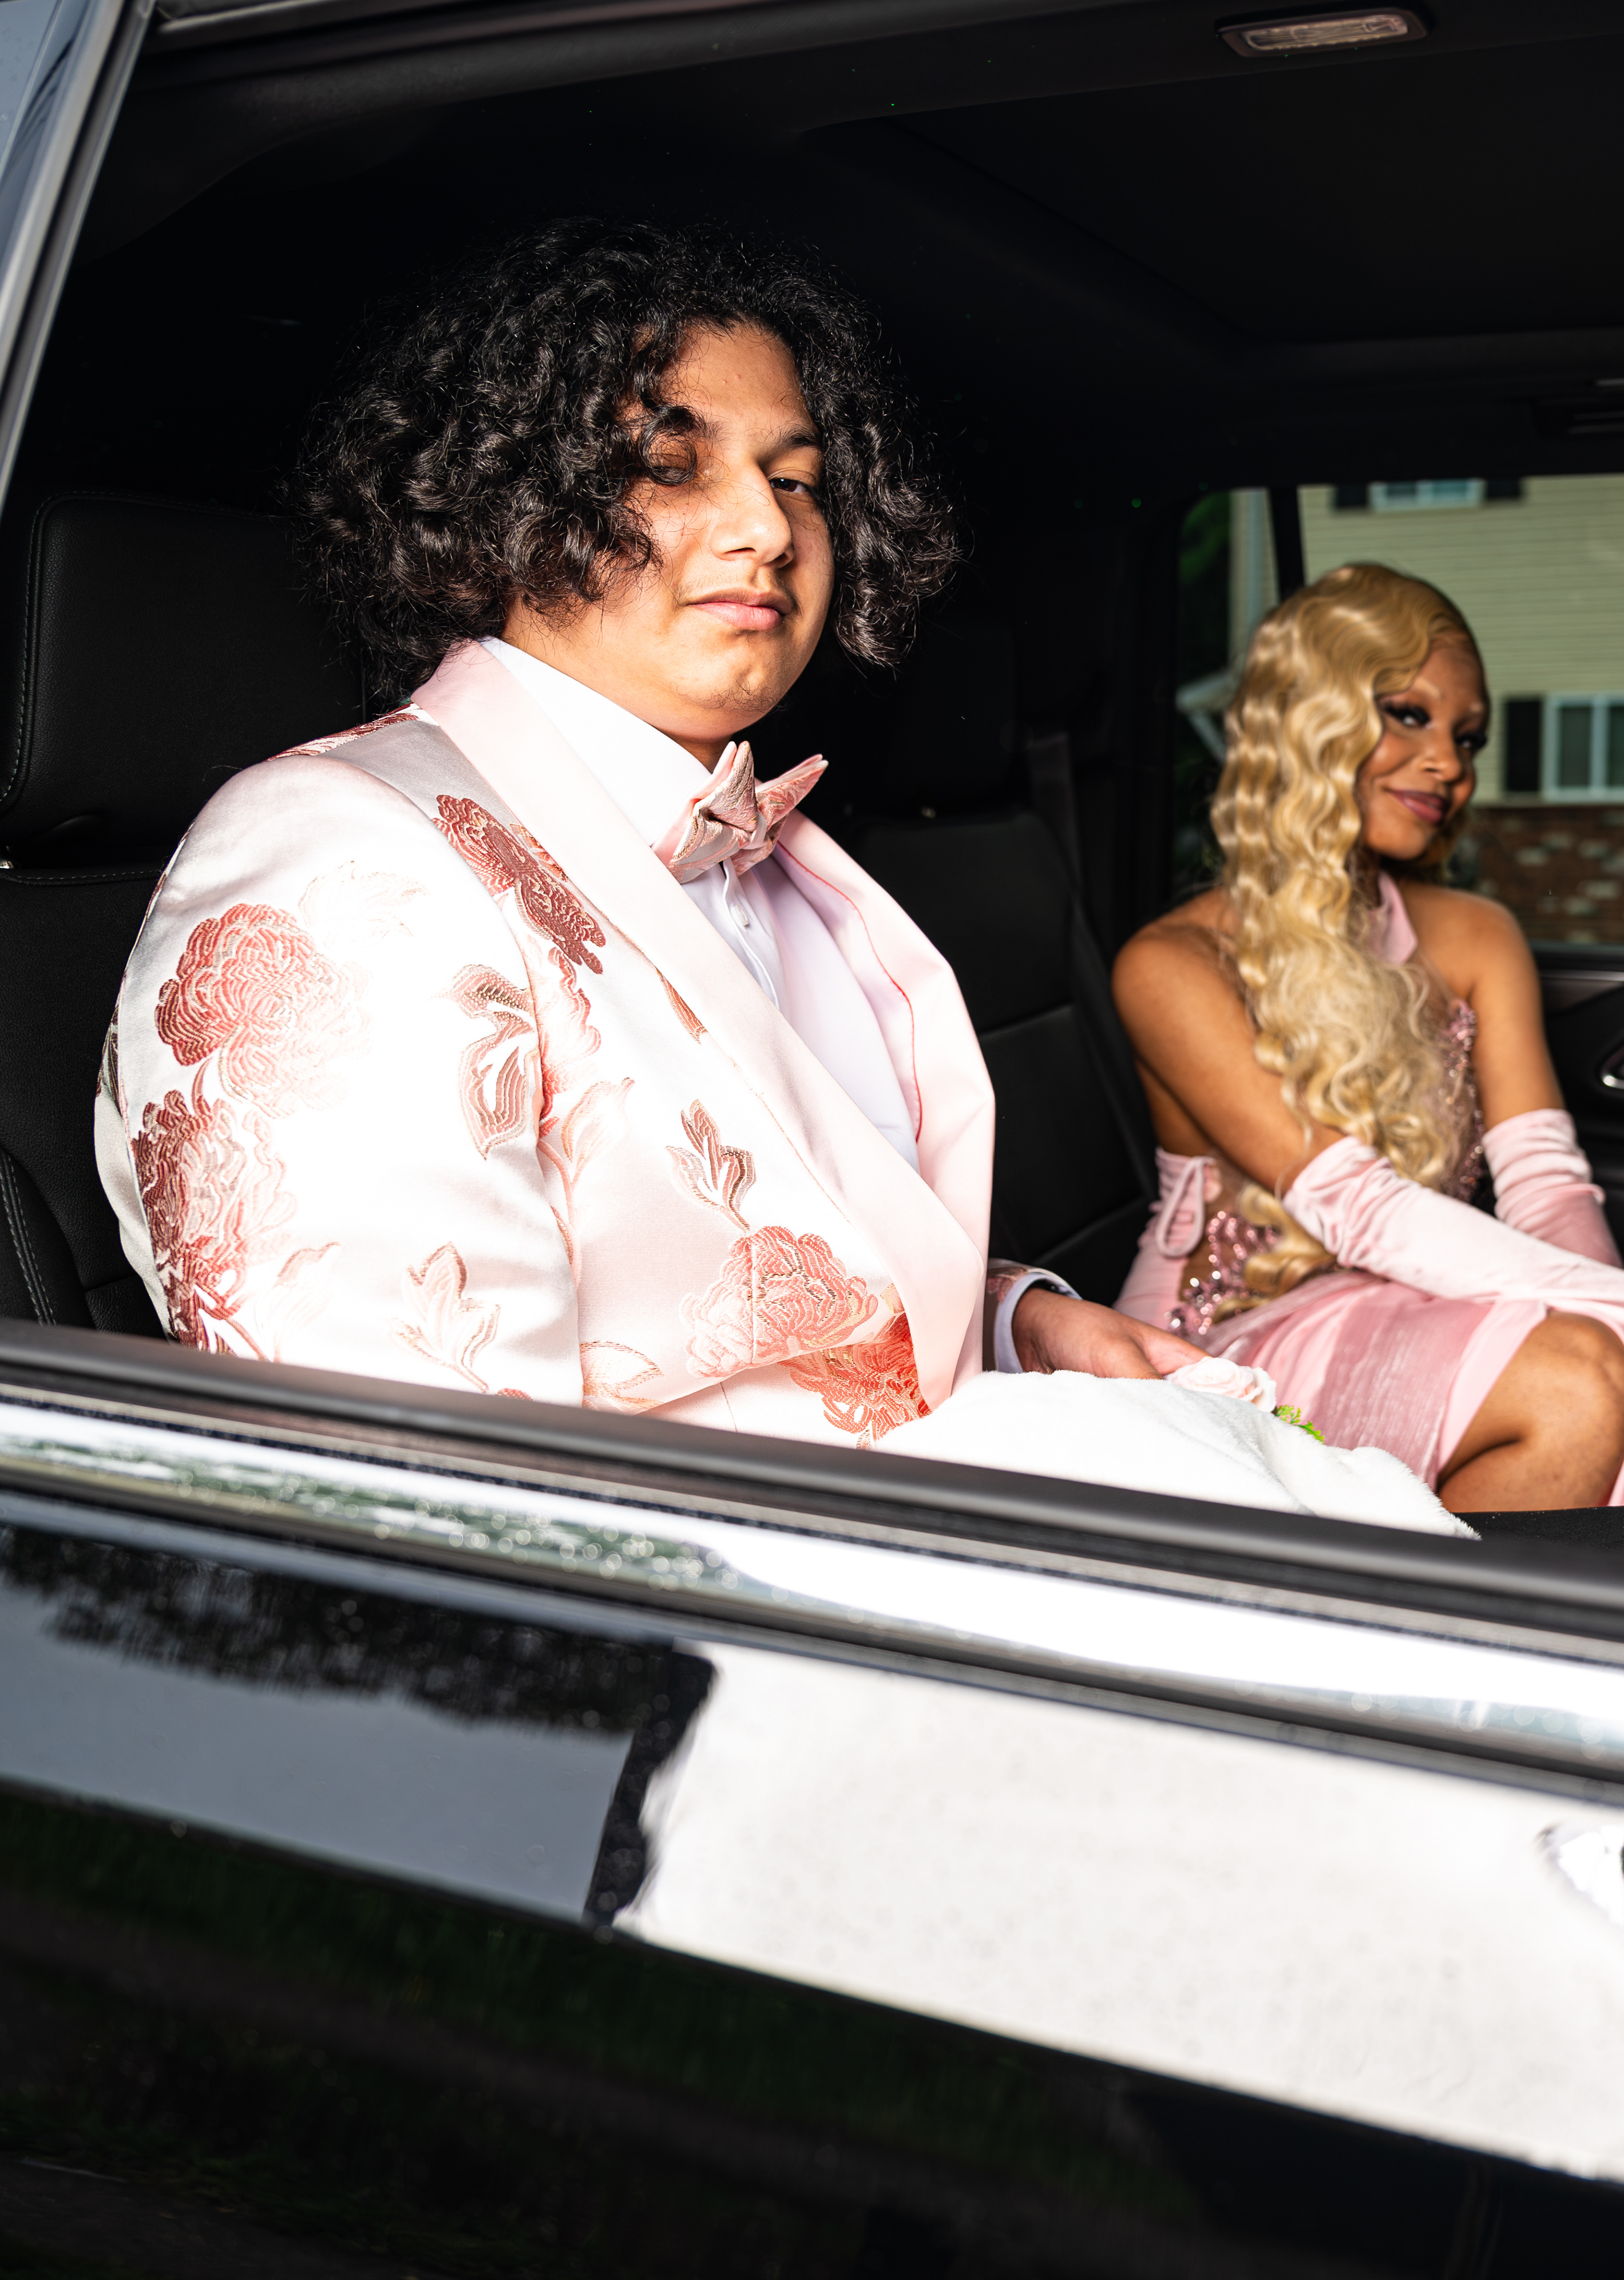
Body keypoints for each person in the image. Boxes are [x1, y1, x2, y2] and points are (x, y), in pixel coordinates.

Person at [95, 220, 1185, 1433]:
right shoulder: (340, 860)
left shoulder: (779, 862)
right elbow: (412, 1492)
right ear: (510, 500)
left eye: (796, 481)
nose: (769, 529)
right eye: (673, 465)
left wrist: (1015, 1324)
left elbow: (775, 1289)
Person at [1112, 561, 1624, 1572]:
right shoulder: (1173, 965)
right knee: (1582, 1374)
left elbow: (1544, 1186)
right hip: (1221, 1345)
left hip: (1415, 1309)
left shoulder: (1478, 936)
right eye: (1407, 715)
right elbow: (1359, 1210)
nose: (1447, 762)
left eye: (1469, 736)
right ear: (1305, 721)